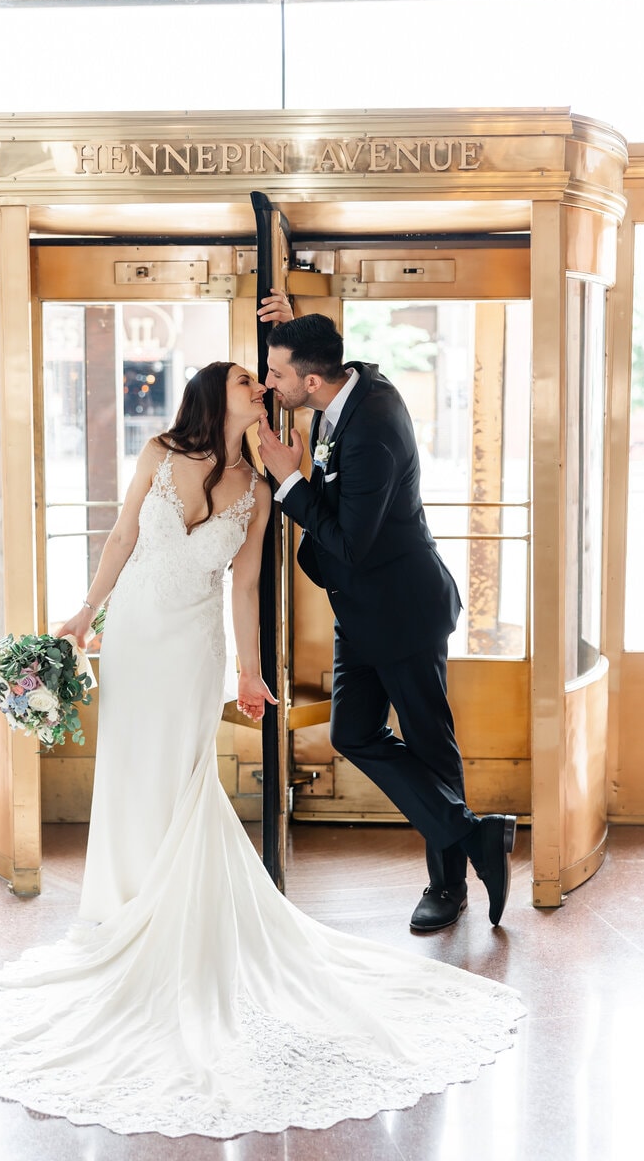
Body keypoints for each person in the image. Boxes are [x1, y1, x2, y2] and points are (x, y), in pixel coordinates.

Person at [0, 353, 524, 1138]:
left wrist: (252, 674)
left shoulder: (257, 493)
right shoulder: (158, 453)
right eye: (246, 383)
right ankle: (123, 912)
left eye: (266, 380)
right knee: (130, 773)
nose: (260, 389)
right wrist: (86, 613)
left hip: (192, 652)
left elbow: (248, 589)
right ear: (213, 396)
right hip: (134, 639)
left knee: (184, 776)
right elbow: (122, 537)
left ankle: (177, 921)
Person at [257, 308, 518, 934]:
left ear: (313, 383)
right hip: (361, 610)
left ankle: (448, 886)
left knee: (430, 745)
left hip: (403, 610)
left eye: (276, 373)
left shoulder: (371, 425)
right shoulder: (342, 388)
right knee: (353, 733)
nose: (270, 385)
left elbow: (350, 544)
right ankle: (474, 835)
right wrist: (294, 329)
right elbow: (315, 367)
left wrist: (289, 482)